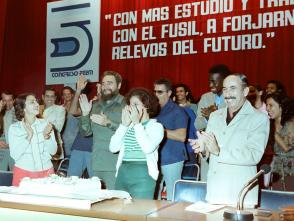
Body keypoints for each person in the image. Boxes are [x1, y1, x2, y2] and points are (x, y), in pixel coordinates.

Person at [190, 74, 269, 207]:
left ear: (245, 91)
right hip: (215, 192)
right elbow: (210, 153)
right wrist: (203, 149)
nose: (227, 94)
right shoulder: (215, 116)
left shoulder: (259, 118)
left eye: (233, 88)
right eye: (225, 89)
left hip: (240, 195)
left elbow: (253, 155)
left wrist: (219, 151)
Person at [109, 88, 164, 199]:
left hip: (143, 173)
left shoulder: (156, 127)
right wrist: (123, 125)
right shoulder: (128, 126)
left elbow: (147, 148)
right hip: (123, 171)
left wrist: (137, 124)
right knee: (119, 211)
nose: (131, 108)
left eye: (135, 104)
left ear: (146, 106)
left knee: (140, 211)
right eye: (130, 105)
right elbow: (113, 148)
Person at [79, 71, 125, 189]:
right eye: (103, 83)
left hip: (117, 164)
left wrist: (108, 123)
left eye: (110, 83)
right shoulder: (94, 105)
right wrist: (84, 114)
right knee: (97, 202)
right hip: (97, 163)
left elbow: (132, 132)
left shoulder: (127, 104)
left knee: (114, 203)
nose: (105, 86)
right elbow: (86, 132)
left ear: (119, 85)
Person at [8, 93, 57, 186]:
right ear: (23, 108)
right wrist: (28, 137)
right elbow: (14, 155)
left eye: (36, 101)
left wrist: (46, 137)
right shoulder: (15, 128)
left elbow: (53, 151)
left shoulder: (46, 124)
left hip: (46, 172)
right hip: (23, 173)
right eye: (32, 102)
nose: (37, 104)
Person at [195, 64, 231, 181]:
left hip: (227, 150)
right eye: (209, 81)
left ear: (225, 81)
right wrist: (207, 118)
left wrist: (215, 115)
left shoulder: (233, 98)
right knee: (207, 184)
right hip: (208, 151)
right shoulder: (205, 98)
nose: (210, 85)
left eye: (214, 82)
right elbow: (197, 124)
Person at [154, 78, 188, 200]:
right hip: (155, 158)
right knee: (154, 195)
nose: (156, 95)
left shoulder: (178, 111)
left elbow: (181, 136)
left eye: (160, 92)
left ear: (169, 93)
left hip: (172, 158)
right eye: (155, 91)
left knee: (172, 196)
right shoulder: (153, 110)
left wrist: (159, 131)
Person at [265, 93, 294, 190]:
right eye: (266, 105)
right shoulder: (270, 124)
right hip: (276, 168)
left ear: (281, 107)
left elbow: (286, 147)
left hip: (291, 168)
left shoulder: (290, 124)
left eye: (271, 105)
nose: (267, 109)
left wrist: (273, 133)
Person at [41, 87, 66, 160]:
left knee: (52, 171)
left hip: (53, 146)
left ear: (55, 98)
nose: (50, 99)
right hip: (39, 147)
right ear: (43, 97)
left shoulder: (60, 109)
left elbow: (59, 128)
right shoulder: (37, 108)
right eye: (47, 96)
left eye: (52, 96)